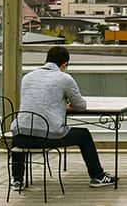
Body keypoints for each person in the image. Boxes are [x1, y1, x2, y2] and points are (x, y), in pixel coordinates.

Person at [11, 45, 117, 188]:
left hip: (19, 138)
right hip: (45, 137)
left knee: (23, 127)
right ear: (64, 64)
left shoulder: (27, 77)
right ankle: (98, 176)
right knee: (84, 135)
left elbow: (36, 102)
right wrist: (63, 105)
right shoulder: (64, 78)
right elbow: (80, 106)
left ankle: (17, 180)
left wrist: (57, 105)